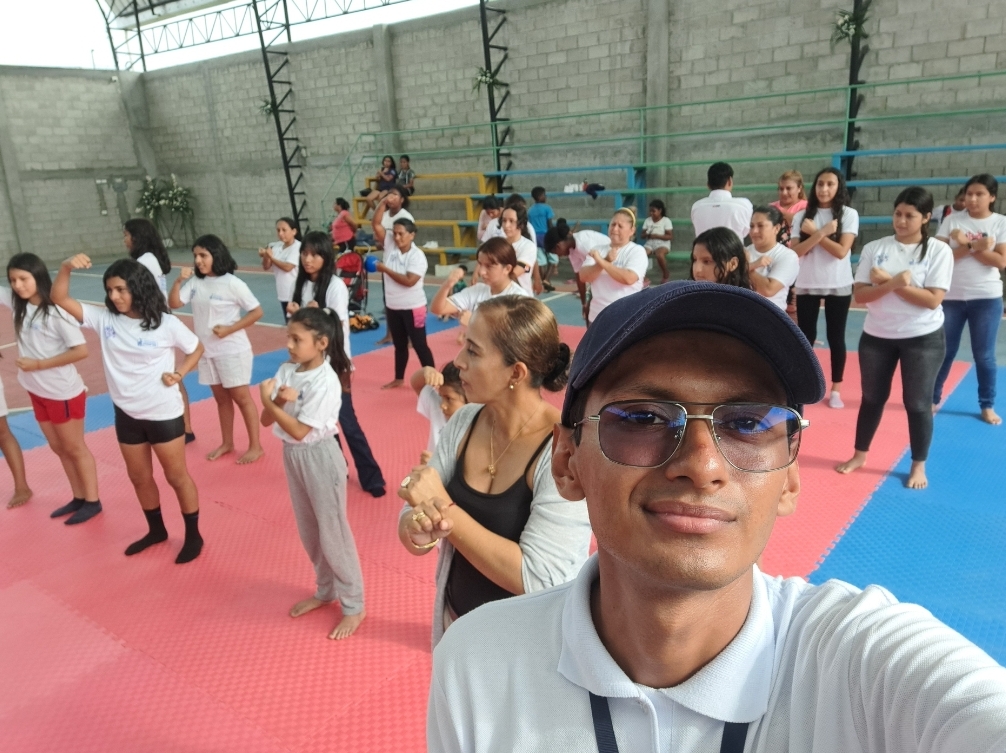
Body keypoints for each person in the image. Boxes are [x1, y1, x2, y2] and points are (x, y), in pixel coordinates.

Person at [428, 280, 1006, 753]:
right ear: (566, 461)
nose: (702, 466)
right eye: (643, 417)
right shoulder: (477, 665)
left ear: (791, 476)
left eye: (748, 423)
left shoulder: (860, 672)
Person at [397, 295, 590, 648]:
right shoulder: (464, 421)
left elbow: (540, 578)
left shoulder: (563, 450)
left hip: (527, 646)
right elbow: (413, 514)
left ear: (516, 373)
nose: (458, 361)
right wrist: (418, 527)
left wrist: (446, 511)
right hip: (457, 624)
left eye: (473, 351)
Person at [52, 256, 205, 564]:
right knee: (139, 477)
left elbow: (196, 347)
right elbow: (59, 298)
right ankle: (156, 530)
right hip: (127, 415)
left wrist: (180, 373)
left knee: (176, 476)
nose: (114, 296)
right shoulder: (105, 320)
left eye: (121, 289)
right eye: (110, 290)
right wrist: (66, 267)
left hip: (163, 413)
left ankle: (193, 535)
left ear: (138, 288)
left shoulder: (166, 324)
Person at [836, 187, 953, 490]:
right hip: (877, 336)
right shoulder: (876, 248)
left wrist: (889, 282)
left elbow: (932, 300)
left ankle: (918, 464)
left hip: (923, 337)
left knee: (917, 403)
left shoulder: (938, 251)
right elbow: (861, 296)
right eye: (898, 214)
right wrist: (894, 284)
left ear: (926, 217)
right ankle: (860, 454)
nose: (901, 221)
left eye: (909, 215)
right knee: (872, 398)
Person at [260, 306, 366, 639]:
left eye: (297, 339)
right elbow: (266, 421)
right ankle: (325, 589)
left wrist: (270, 401)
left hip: (320, 457)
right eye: (288, 337)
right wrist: (277, 400)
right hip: (293, 456)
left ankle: (354, 604)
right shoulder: (287, 370)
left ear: (321, 343)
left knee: (333, 534)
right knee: (310, 531)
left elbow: (300, 431)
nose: (289, 345)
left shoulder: (326, 381)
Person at [288, 231, 387, 498]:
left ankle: (372, 477)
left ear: (325, 256)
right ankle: (337, 466)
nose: (308, 259)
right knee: (322, 424)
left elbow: (338, 326)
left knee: (347, 421)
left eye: (315, 254)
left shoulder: (334, 286)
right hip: (311, 364)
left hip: (335, 363)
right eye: (304, 253)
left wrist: (312, 313)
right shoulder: (301, 284)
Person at [2, 254, 97, 518]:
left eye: (23, 279)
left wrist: (39, 364)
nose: (18, 285)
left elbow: (81, 350)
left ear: (38, 276)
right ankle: (78, 497)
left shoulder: (56, 311)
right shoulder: (18, 303)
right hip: (37, 391)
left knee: (74, 447)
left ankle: (93, 501)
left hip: (61, 392)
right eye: (13, 280)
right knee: (58, 448)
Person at [169, 235, 264, 464]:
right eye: (195, 256)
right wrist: (178, 282)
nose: (198, 260)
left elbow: (256, 312)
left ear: (216, 255)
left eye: (203, 255)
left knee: (242, 398)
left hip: (232, 350)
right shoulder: (196, 282)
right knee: (221, 399)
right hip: (206, 351)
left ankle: (256, 446)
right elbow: (174, 303)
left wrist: (230, 329)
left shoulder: (233, 283)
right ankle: (227, 442)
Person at [932, 173, 1006, 425]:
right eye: (969, 194)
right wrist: (976, 246)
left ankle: (987, 405)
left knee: (984, 355)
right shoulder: (952, 220)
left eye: (979, 194)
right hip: (951, 295)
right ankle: (932, 398)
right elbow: (940, 257)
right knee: (945, 351)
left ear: (992, 197)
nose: (973, 199)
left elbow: (1001, 261)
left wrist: (965, 246)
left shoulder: (1000, 222)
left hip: (986, 297)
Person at [791, 167, 860, 410]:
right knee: (806, 336)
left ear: (838, 187)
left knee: (835, 337)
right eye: (820, 184)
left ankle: (836, 389)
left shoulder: (848, 214)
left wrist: (817, 235)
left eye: (830, 184)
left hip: (838, 283)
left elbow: (841, 252)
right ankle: (805, 385)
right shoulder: (802, 216)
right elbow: (796, 251)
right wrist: (820, 232)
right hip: (807, 282)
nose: (824, 189)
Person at [124, 218, 196, 443]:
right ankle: (184, 426)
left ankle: (184, 427)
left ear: (136, 237)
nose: (124, 240)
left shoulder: (145, 261)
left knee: (170, 375)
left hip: (157, 320)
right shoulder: (150, 258)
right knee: (168, 374)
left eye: (126, 235)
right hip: (158, 318)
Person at [431, 238, 532, 346]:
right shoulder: (477, 290)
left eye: (489, 266)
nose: (481, 271)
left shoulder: (519, 299)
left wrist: (474, 322)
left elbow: (517, 339)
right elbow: (439, 309)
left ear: (507, 269)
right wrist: (447, 285)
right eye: (480, 264)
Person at [375, 217, 436, 389]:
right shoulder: (391, 248)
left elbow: (409, 281)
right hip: (393, 307)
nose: (397, 237)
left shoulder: (417, 256)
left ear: (412, 235)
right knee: (399, 345)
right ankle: (399, 378)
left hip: (414, 307)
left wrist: (385, 269)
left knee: (419, 344)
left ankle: (434, 379)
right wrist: (383, 203)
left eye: (401, 234)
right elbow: (376, 224)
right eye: (394, 234)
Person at [579, 208, 648, 324]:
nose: (615, 229)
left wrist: (602, 261)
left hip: (626, 317)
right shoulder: (597, 249)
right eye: (613, 224)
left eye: (620, 226)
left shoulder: (637, 251)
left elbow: (629, 278)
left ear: (632, 230)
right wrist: (605, 260)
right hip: (597, 316)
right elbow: (584, 276)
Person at [543, 220, 610, 323]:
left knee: (599, 314)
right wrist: (584, 303)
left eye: (555, 252)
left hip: (611, 272)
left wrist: (590, 300)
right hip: (600, 275)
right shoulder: (572, 252)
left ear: (558, 246)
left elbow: (596, 271)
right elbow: (579, 277)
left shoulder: (584, 244)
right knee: (589, 313)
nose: (558, 256)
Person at [372, 185, 415, 347]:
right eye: (389, 194)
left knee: (405, 300)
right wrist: (380, 241)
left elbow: (405, 240)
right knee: (388, 300)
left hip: (402, 261)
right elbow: (376, 227)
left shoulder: (406, 216)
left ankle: (410, 336)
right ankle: (390, 334)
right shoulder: (384, 215)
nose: (391, 197)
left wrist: (388, 240)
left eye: (395, 194)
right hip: (388, 259)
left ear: (402, 199)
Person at [745, 205, 800, 311]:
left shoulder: (787, 256)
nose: (754, 231)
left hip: (770, 315)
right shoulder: (743, 252)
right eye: (751, 226)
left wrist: (746, 267)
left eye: (760, 226)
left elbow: (768, 290)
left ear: (777, 228)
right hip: (742, 313)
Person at [411, 363, 467, 464]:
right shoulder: (438, 409)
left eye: (449, 399)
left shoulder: (480, 426)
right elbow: (416, 384)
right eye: (441, 397)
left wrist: (438, 466)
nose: (442, 405)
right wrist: (426, 371)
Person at [690, 162, 753, 240]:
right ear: (730, 181)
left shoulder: (697, 206)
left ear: (708, 185)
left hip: (703, 247)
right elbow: (745, 232)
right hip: (734, 247)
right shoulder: (744, 205)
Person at [259, 217, 302, 321]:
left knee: (298, 322)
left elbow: (288, 267)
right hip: (283, 292)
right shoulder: (276, 246)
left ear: (294, 231)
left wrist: (271, 257)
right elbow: (266, 266)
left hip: (295, 293)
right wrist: (266, 256)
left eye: (284, 230)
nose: (281, 233)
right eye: (278, 230)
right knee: (289, 323)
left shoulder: (297, 247)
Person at [501, 205, 541, 295]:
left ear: (521, 224)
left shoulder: (528, 246)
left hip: (521, 298)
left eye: (511, 221)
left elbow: (517, 272)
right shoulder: (497, 244)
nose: (506, 225)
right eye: (504, 220)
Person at [528, 187, 557, 290]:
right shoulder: (547, 208)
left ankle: (545, 281)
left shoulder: (530, 210)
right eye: (544, 195)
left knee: (541, 261)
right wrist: (554, 235)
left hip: (535, 237)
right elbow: (550, 224)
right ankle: (546, 280)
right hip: (546, 236)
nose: (545, 197)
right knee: (553, 259)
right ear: (540, 196)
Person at [770, 169, 808, 247]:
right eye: (781, 189)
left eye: (789, 188)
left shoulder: (806, 206)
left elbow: (801, 224)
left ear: (799, 188)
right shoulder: (771, 206)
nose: (784, 193)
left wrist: (779, 211)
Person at [640, 199, 673, 284]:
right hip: (650, 243)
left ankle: (665, 273)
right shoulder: (648, 220)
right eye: (650, 211)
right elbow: (642, 235)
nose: (651, 213)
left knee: (659, 254)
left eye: (653, 211)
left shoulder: (666, 221)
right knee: (641, 254)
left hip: (662, 243)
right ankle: (642, 276)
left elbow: (670, 236)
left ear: (660, 210)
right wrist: (647, 234)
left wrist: (657, 236)